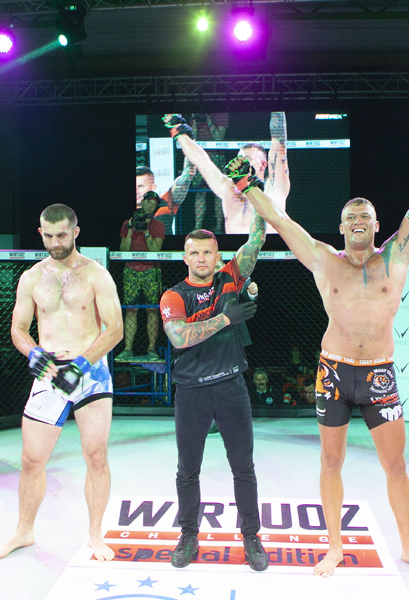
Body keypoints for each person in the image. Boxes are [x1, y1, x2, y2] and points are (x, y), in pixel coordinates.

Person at [235, 113, 409, 580]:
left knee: (395, 464)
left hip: (378, 373)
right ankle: (335, 547)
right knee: (331, 461)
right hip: (334, 372)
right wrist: (246, 184)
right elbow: (279, 219)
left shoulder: (396, 255)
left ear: (377, 224)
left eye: (364, 216)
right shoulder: (324, 260)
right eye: (350, 217)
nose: (357, 221)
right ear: (341, 228)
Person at [159, 113, 269, 572]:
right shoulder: (173, 295)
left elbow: (258, 237)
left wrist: (252, 188)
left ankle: (252, 538)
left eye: (208, 252)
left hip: (231, 387)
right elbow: (179, 338)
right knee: (188, 470)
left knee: (244, 467)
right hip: (191, 391)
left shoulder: (231, 274)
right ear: (185, 257)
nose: (201, 258)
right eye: (194, 253)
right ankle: (188, 535)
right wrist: (225, 318)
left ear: (217, 254)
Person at [0, 204, 123, 562]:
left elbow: (115, 330)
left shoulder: (96, 275)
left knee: (96, 456)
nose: (55, 242)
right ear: (41, 233)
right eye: (48, 236)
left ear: (75, 232)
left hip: (90, 371)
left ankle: (95, 535)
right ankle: (24, 532)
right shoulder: (31, 277)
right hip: (49, 373)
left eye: (62, 235)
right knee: (32, 459)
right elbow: (18, 329)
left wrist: (81, 364)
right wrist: (34, 353)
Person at [166, 112, 289, 235]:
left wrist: (277, 106)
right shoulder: (229, 189)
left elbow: (279, 147)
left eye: (247, 159)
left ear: (263, 165)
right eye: (239, 159)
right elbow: (201, 161)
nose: (241, 162)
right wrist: (178, 131)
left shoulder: (274, 189)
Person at [118, 190, 165, 361]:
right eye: (148, 201)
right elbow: (123, 250)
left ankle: (151, 349)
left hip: (151, 270)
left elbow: (155, 250)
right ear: (142, 203)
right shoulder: (127, 223)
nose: (150, 205)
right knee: (131, 310)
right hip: (131, 270)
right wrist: (131, 231)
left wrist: (146, 232)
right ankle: (127, 349)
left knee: (152, 309)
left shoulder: (158, 225)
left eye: (154, 203)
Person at [135, 162, 195, 235]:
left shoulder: (164, 203)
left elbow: (185, 179)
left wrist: (191, 157)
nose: (136, 191)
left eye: (140, 186)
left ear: (153, 187)